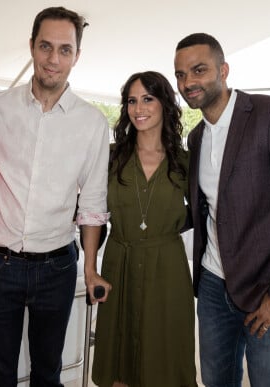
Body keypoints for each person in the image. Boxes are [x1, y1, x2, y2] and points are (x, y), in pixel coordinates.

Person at [174, 33, 270, 387]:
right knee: (215, 380)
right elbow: (205, 211)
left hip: (268, 289)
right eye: (180, 75)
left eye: (198, 70)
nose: (188, 83)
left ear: (223, 70)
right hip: (212, 286)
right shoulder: (196, 139)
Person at [0, 7, 109, 386]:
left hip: (57, 269)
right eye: (46, 46)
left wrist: (91, 268)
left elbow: (94, 205)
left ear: (76, 56)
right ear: (32, 46)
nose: (54, 59)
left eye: (65, 50)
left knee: (48, 374)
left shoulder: (93, 123)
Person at [91, 71, 197, 387]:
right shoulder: (109, 158)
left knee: (164, 359)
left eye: (148, 99)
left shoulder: (184, 162)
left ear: (165, 103)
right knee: (119, 362)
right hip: (118, 263)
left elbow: (204, 214)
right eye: (132, 101)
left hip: (168, 270)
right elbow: (93, 214)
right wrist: (89, 268)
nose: (139, 108)